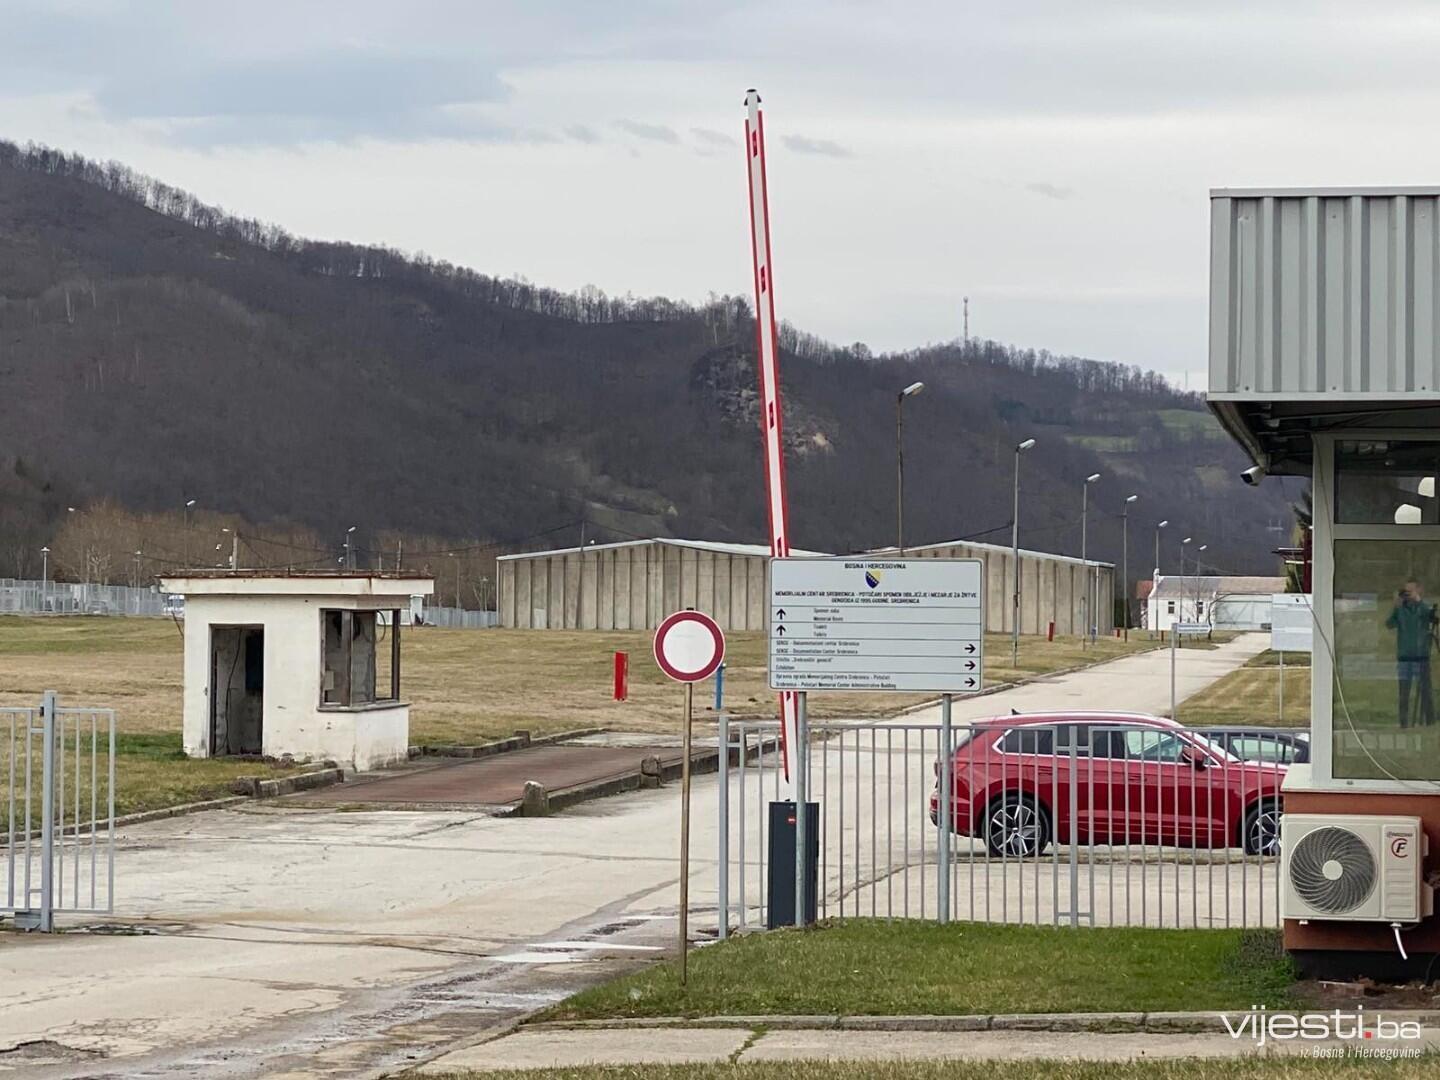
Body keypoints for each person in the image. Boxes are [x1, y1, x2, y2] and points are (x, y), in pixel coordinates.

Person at [1385, 580, 1437, 728]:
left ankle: (1430, 722)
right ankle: (1404, 723)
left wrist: (1418, 601)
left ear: (1418, 590)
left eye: (1411, 591)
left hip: (1421, 656)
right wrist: (1396, 605)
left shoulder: (1423, 608)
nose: (1407, 594)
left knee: (1426, 692)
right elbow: (1389, 624)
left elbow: (1431, 617)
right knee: (1404, 693)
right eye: (1405, 591)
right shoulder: (1401, 609)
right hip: (1405, 657)